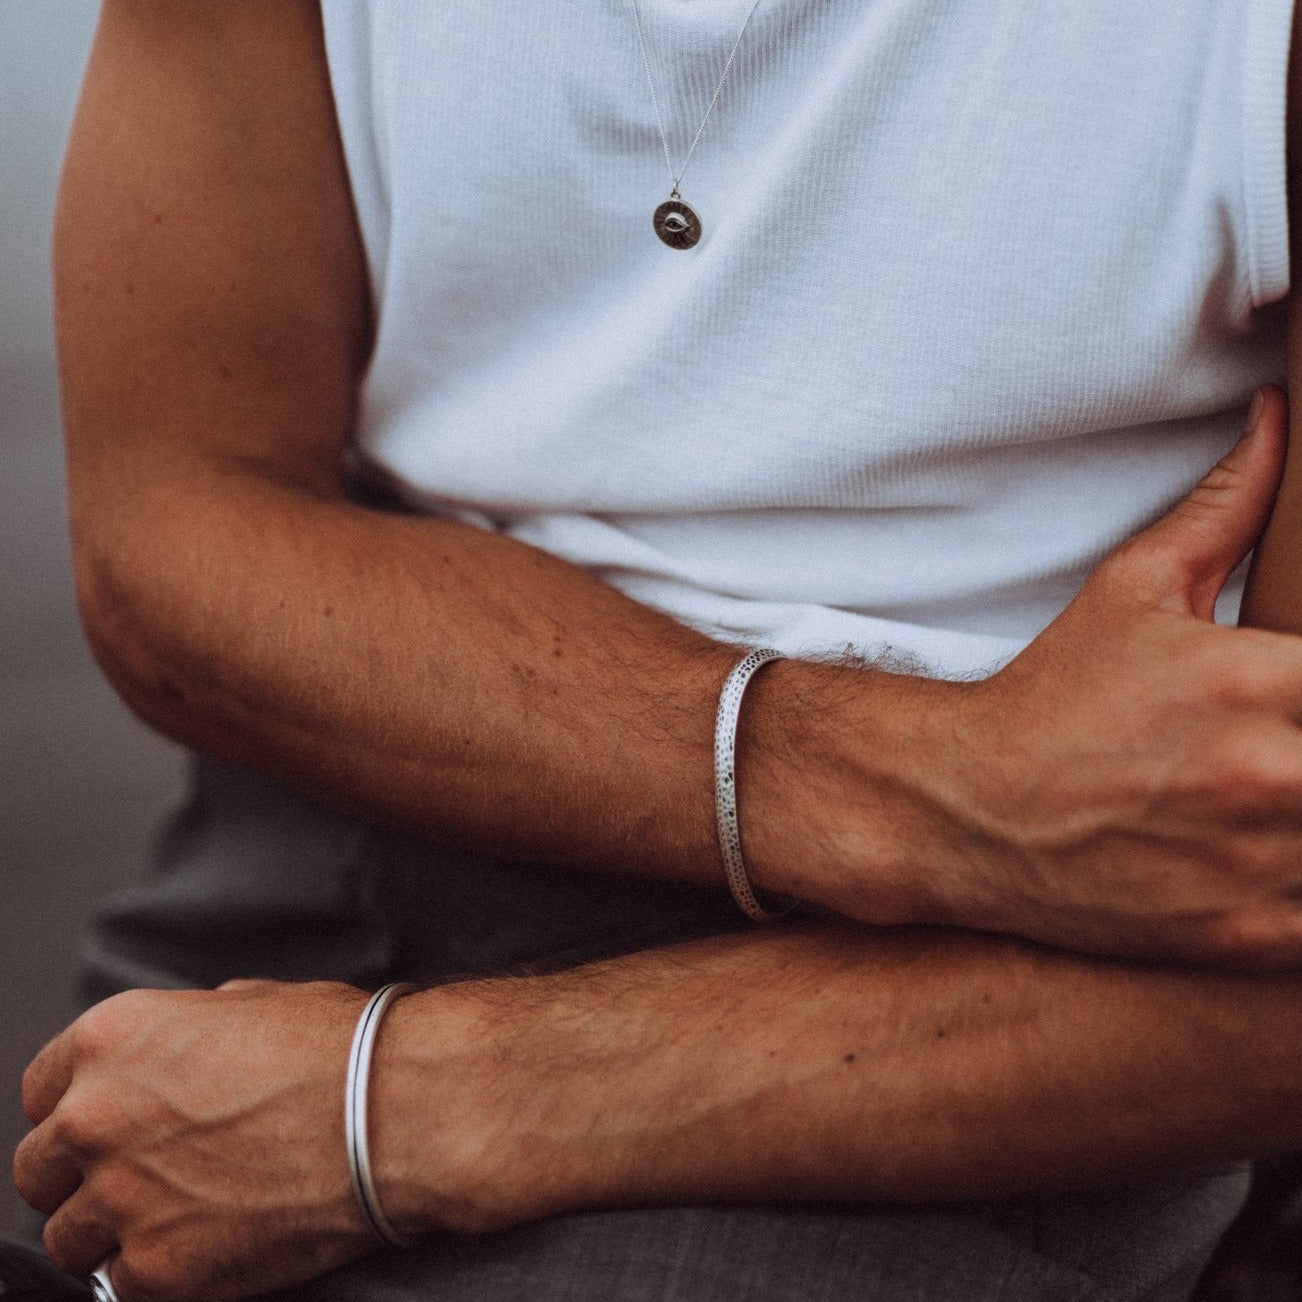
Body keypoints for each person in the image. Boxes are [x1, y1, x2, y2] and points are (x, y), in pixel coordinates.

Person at [14, 1, 1302, 1299]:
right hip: (314, 866)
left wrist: (399, 1103)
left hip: (987, 1019)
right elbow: (168, 532)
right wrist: (944, 784)